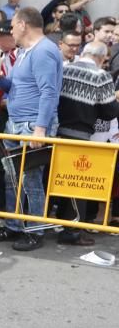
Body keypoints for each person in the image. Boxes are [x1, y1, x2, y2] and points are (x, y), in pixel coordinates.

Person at [0, 7, 63, 251]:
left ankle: (34, 230)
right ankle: (14, 225)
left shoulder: (43, 52)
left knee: (30, 180)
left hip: (31, 125)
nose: (10, 31)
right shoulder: (26, 52)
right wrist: (1, 81)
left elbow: (49, 92)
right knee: (11, 178)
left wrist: (40, 129)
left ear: (23, 25)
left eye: (12, 26)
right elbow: (20, 87)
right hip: (17, 122)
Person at [55, 41, 119, 244]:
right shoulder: (101, 76)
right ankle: (72, 231)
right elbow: (110, 112)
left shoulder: (65, 70)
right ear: (101, 58)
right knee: (78, 185)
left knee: (60, 181)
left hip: (57, 132)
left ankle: (60, 223)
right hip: (82, 136)